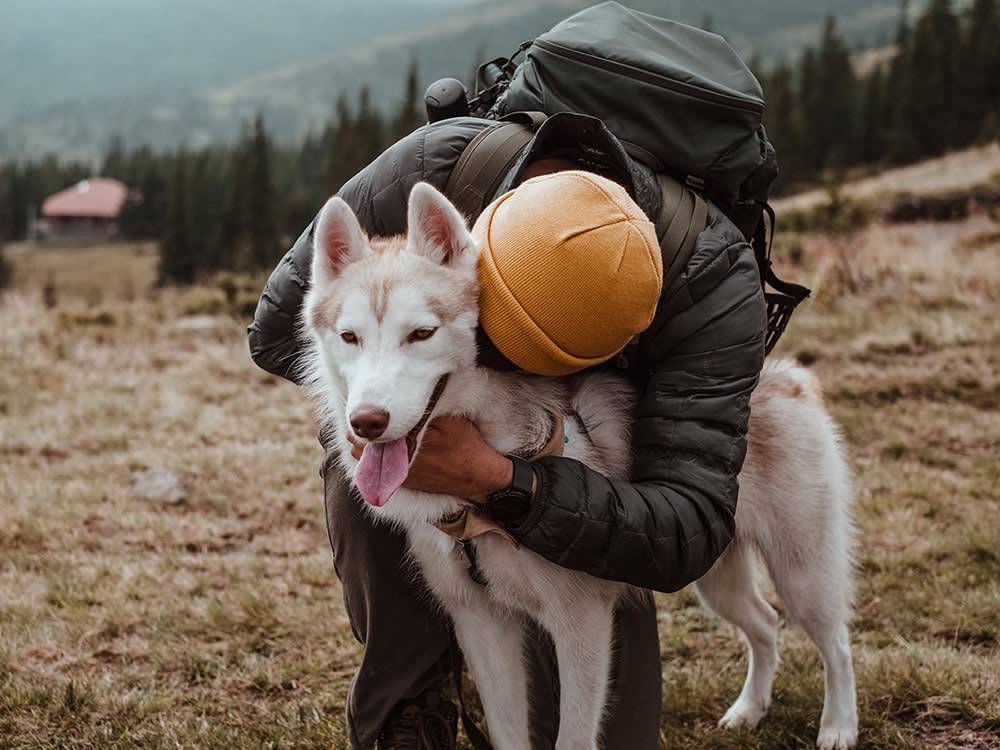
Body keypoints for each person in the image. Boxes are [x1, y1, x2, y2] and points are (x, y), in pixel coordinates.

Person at [248, 112, 767, 750]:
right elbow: (273, 336)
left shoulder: (710, 275)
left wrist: (498, 477)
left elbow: (685, 531)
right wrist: (414, 402)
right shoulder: (435, 167)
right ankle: (409, 695)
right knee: (359, 458)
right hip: (452, 373)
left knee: (610, 730)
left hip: (600, 470)